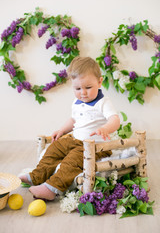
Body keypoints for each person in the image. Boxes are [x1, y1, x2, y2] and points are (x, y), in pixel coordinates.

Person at [20, 56, 120, 200]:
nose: (83, 93)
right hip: (75, 140)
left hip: (95, 146)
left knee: (72, 160)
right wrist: (62, 130)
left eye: (88, 87)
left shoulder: (103, 102)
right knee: (54, 149)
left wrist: (106, 128)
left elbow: (115, 119)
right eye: (78, 88)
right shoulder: (77, 102)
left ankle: (52, 188)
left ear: (99, 82)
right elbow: (73, 119)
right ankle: (36, 175)